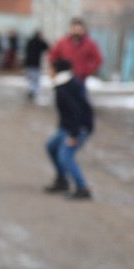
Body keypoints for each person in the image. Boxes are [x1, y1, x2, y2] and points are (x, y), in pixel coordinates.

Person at [44, 58, 94, 200]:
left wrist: (74, 134)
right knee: (51, 147)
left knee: (66, 156)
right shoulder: (66, 84)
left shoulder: (66, 87)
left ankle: (82, 188)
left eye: (50, 69)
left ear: (57, 71)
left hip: (78, 127)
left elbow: (75, 111)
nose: (49, 72)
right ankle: (62, 180)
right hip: (68, 126)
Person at [48, 16, 103, 81]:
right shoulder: (62, 42)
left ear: (83, 30)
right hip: (64, 79)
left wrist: (87, 70)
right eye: (74, 29)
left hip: (80, 79)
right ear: (71, 29)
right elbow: (52, 56)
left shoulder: (90, 44)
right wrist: (57, 69)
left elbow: (98, 59)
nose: (76, 32)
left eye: (79, 29)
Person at [23, 29, 50, 101]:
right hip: (35, 63)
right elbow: (47, 47)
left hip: (29, 63)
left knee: (31, 78)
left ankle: (32, 90)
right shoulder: (39, 42)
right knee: (36, 79)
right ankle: (34, 91)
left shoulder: (30, 41)